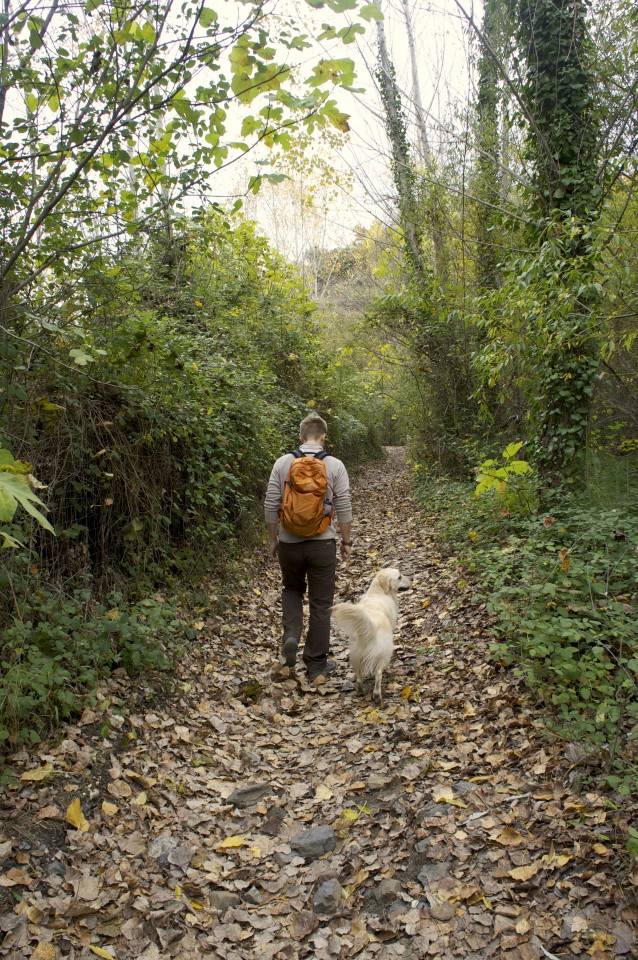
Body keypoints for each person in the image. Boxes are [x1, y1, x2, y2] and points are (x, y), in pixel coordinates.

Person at [265, 414, 353, 681]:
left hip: (290, 542)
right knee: (321, 602)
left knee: (291, 589)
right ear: (323, 437)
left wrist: (273, 539)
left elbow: (270, 503)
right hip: (322, 544)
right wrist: (346, 542)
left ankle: (291, 635)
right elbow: (344, 506)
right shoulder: (334, 465)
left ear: (301, 436)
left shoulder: (283, 462)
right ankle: (316, 665)